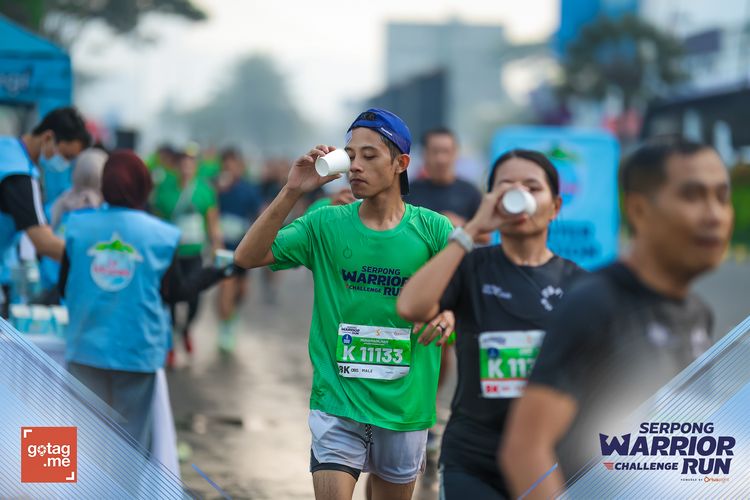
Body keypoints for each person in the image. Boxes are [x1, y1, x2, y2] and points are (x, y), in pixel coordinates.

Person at [234, 108, 454, 500]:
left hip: (405, 406)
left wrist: (449, 314)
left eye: (369, 156)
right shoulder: (325, 223)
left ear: (401, 163)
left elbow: (462, 295)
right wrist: (292, 190)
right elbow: (246, 257)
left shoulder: (434, 230)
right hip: (337, 402)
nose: (355, 166)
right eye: (351, 156)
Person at [501, 141, 733, 498]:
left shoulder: (699, 313)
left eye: (722, 197)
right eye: (692, 196)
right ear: (639, 210)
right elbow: (525, 449)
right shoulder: (596, 304)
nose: (715, 215)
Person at [397, 149, 586, 499]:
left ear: (555, 206)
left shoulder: (579, 284)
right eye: (506, 187)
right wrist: (470, 231)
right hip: (473, 459)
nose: (520, 196)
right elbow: (410, 306)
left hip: (551, 462)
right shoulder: (470, 266)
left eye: (533, 187)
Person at [60, 150, 232, 450]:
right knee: (129, 445)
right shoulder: (163, 235)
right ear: (143, 185)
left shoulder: (77, 225)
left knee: (83, 442)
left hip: (85, 347)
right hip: (136, 353)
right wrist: (216, 271)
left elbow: (64, 286)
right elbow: (175, 292)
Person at [407, 126, 486, 451]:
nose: (441, 158)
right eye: (434, 151)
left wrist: (460, 225)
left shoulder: (469, 193)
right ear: (424, 155)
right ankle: (411, 412)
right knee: (412, 347)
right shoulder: (409, 190)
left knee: (443, 350)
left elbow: (486, 234)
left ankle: (429, 409)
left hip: (454, 283)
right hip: (414, 282)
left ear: (455, 154)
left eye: (446, 151)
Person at [151, 149, 223, 358]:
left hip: (195, 253)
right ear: (177, 166)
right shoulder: (165, 190)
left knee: (194, 297)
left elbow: (212, 222)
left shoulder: (204, 191)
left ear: (195, 166)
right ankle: (171, 340)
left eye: (190, 163)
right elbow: (156, 222)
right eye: (183, 163)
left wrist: (217, 246)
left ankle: (186, 328)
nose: (186, 167)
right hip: (173, 253)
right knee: (171, 297)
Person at [0, 107, 91, 262]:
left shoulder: (6, 147)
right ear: (48, 137)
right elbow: (44, 242)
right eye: (66, 156)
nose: (65, 164)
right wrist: (88, 259)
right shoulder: (20, 175)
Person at [215, 148, 263, 351]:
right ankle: (225, 327)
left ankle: (231, 314)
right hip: (223, 249)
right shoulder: (215, 188)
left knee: (241, 291)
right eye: (226, 165)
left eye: (233, 165)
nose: (230, 169)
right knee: (226, 287)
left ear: (240, 166)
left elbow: (259, 214)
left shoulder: (248, 190)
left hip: (243, 249)